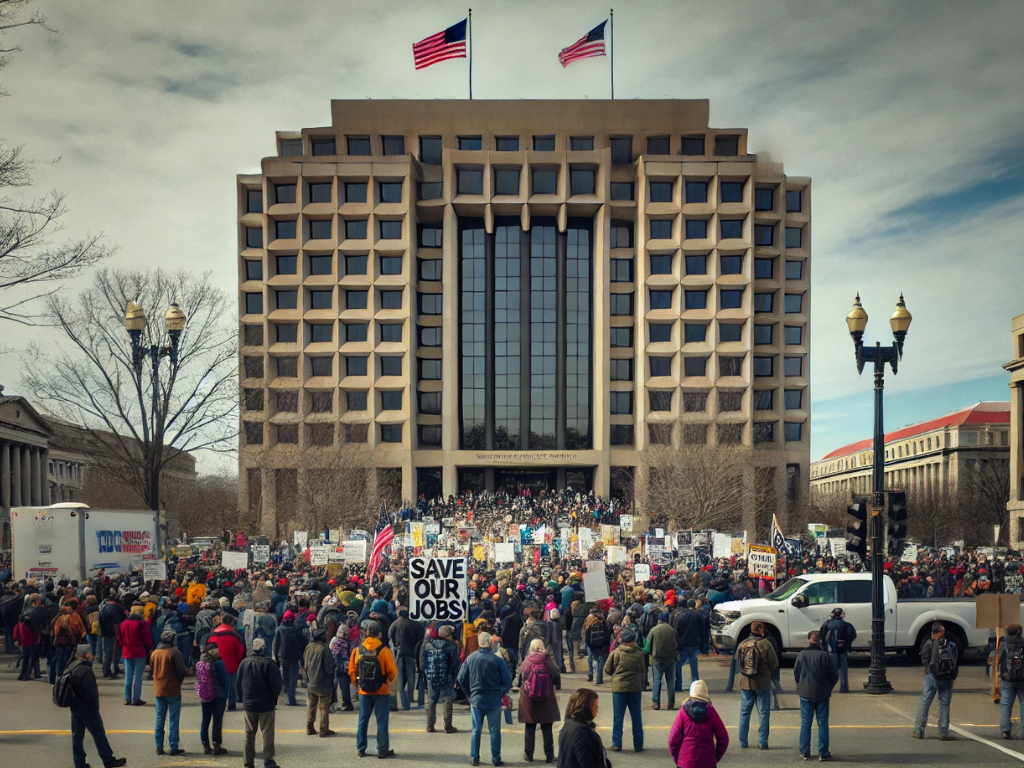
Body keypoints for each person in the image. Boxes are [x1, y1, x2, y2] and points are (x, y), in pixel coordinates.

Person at [64, 643, 128, 768]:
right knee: (99, 734)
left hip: (75, 706)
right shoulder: (86, 671)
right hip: (87, 708)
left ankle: (79, 762)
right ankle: (108, 760)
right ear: (85, 655)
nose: (92, 655)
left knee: (77, 736)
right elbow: (91, 693)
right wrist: (94, 708)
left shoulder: (71, 666)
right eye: (90, 653)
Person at [457, 630, 512, 767]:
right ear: (490, 644)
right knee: (494, 730)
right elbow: (507, 681)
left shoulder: (470, 658)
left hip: (476, 699)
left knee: (476, 730)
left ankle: (474, 757)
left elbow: (461, 679)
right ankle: (495, 758)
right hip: (493, 700)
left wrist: (469, 694)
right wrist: (500, 693)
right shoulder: (497, 660)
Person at [349, 619, 398, 758]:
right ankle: (382, 749)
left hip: (364, 690)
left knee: (363, 719)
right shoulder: (384, 651)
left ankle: (361, 748)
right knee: (381, 720)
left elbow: (352, 671)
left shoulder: (358, 650)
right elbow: (393, 672)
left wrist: (358, 685)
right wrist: (386, 682)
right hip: (381, 690)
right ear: (379, 634)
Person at [236, 637, 283, 768]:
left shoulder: (244, 663)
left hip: (249, 704)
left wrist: (242, 699)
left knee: (249, 733)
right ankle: (268, 760)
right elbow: (276, 685)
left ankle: (248, 761)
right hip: (266, 704)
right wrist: (274, 699)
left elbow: (238, 683)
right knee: (267, 732)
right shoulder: (268, 664)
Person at [793, 630, 838, 761]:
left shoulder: (802, 655)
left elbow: (797, 674)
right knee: (822, 723)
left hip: (805, 692)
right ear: (820, 640)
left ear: (808, 640)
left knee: (806, 723)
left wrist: (800, 686)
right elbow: (834, 675)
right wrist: (828, 687)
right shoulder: (825, 656)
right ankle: (823, 752)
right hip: (822, 692)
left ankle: (804, 751)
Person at [518, 639, 561, 763]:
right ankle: (549, 755)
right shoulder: (547, 661)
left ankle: (528, 754)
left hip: (529, 698)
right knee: (547, 727)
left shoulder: (526, 661)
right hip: (546, 698)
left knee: (530, 727)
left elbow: (521, 678)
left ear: (531, 648)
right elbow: (556, 676)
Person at [603, 625, 645, 753]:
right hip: (634, 687)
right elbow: (642, 669)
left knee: (618, 716)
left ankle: (616, 743)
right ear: (633, 640)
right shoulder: (639, 653)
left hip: (619, 687)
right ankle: (638, 744)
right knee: (636, 716)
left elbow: (607, 669)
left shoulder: (616, 653)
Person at [737, 621, 779, 750]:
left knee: (745, 712)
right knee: (763, 712)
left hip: (746, 683)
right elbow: (774, 663)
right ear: (760, 629)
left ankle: (743, 741)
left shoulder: (742, 644)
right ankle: (762, 742)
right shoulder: (765, 644)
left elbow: (739, 663)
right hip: (762, 683)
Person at [668, 680, 728, 768]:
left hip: (686, 762)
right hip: (707, 762)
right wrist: (716, 756)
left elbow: (673, 740)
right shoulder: (711, 711)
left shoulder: (683, 712)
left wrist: (678, 758)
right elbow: (724, 738)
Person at [914, 622, 957, 741]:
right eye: (942, 631)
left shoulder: (928, 644)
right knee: (944, 704)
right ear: (939, 633)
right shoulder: (951, 645)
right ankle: (943, 731)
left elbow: (924, 660)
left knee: (925, 702)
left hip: (931, 677)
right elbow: (955, 660)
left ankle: (918, 730)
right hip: (947, 678)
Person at [151, 629, 188, 756]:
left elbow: (152, 669)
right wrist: (179, 681)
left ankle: (159, 746)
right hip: (172, 689)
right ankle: (173, 746)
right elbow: (182, 670)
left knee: (160, 719)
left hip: (158, 689)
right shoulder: (174, 652)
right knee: (173, 719)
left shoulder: (155, 653)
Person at [421, 624, 461, 734]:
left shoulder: (428, 644)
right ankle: (448, 726)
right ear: (448, 635)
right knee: (447, 699)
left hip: (431, 676)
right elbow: (456, 665)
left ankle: (430, 725)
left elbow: (422, 661)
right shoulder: (451, 646)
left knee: (432, 700)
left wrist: (426, 674)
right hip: (446, 677)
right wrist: (455, 679)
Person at [556, 688, 610, 768]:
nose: (597, 709)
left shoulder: (570, 724)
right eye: (595, 706)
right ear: (586, 707)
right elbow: (586, 762)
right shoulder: (581, 731)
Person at [195, 643, 229, 755]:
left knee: (205, 720)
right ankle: (216, 745)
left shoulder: (201, 663)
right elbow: (225, 679)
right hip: (219, 695)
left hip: (205, 694)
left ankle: (205, 745)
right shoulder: (220, 663)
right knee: (217, 720)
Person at [389, 607, 426, 710]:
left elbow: (390, 634)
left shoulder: (396, 623)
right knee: (411, 677)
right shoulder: (416, 624)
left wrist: (395, 645)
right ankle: (411, 697)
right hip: (411, 653)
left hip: (399, 653)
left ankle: (405, 704)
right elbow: (421, 638)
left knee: (400, 679)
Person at [303, 628, 337, 737]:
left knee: (311, 706)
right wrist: (332, 679)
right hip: (322, 682)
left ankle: (309, 727)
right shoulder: (324, 649)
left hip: (311, 681)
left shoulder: (308, 647)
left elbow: (304, 663)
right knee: (323, 707)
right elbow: (328, 668)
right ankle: (324, 729)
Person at [210, 613, 247, 712]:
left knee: (217, 684)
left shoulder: (214, 633)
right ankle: (231, 703)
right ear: (231, 623)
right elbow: (241, 651)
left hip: (214, 663)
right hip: (231, 664)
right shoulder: (234, 635)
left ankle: (218, 704)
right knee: (230, 685)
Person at [116, 604, 152, 706]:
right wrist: (149, 648)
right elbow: (147, 639)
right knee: (137, 676)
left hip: (127, 651)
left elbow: (119, 639)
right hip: (140, 651)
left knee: (128, 676)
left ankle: (127, 698)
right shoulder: (141, 624)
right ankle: (136, 698)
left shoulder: (123, 624)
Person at [272, 609, 306, 706]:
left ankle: (287, 696)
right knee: (293, 677)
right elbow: (303, 642)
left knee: (285, 677)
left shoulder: (279, 630)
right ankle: (291, 697)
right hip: (295, 656)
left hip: (283, 656)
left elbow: (276, 645)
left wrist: (276, 658)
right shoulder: (295, 630)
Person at [819, 608, 856, 694]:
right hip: (842, 650)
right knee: (843, 670)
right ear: (841, 615)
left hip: (830, 650)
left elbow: (821, 636)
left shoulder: (827, 624)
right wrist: (846, 644)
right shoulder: (847, 625)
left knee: (829, 670)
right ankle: (844, 687)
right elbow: (853, 635)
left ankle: (827, 687)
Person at [647, 612, 679, 710]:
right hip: (670, 658)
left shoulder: (654, 630)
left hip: (657, 658)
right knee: (670, 681)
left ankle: (656, 702)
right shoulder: (672, 630)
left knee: (657, 680)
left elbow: (647, 646)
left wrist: (650, 654)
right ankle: (671, 702)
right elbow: (678, 643)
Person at [672, 600, 703, 691]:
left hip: (683, 644)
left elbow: (676, 631)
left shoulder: (680, 616)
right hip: (694, 644)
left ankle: (678, 686)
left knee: (678, 665)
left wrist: (677, 644)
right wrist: (702, 644)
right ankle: (695, 686)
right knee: (693, 665)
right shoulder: (697, 616)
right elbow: (702, 630)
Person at [999, 623, 1024, 739]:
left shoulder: (1004, 643)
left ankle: (1005, 730)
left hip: (1007, 679)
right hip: (1022, 679)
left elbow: (999, 659)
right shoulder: (1023, 643)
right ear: (1019, 632)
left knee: (1006, 704)